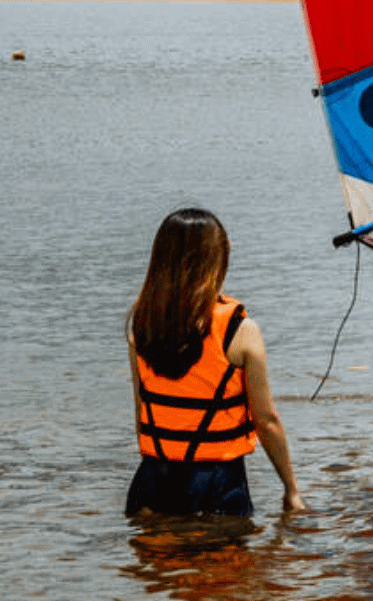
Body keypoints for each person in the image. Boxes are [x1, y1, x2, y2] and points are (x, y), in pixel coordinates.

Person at [126, 208, 303, 517]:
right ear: (219, 256)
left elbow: (142, 410)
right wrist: (291, 490)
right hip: (216, 485)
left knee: (155, 550)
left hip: (152, 482)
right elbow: (266, 420)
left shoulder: (143, 324)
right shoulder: (239, 330)